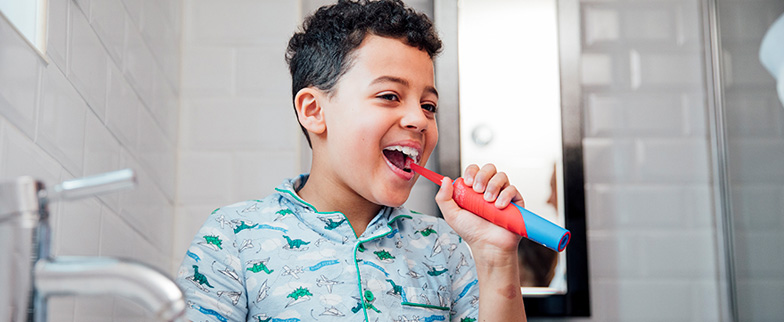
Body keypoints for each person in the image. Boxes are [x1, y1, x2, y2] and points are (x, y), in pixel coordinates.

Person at [175, 1, 527, 321]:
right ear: (314, 111)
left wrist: (497, 260)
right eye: (390, 96)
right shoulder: (232, 237)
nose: (419, 120)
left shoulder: (444, 247)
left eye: (428, 106)